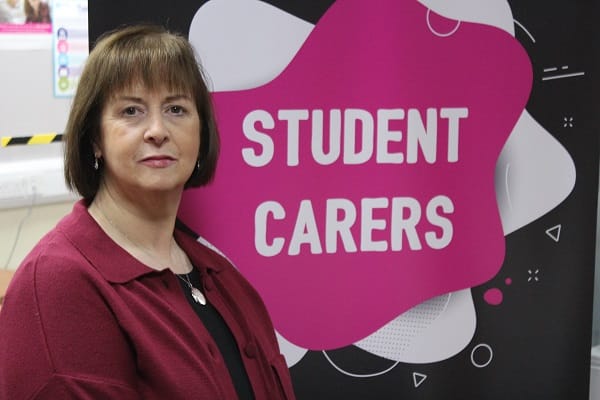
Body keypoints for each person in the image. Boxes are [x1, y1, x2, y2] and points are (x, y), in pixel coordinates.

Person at [0, 24, 296, 399]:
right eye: (131, 111)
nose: (157, 130)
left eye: (176, 109)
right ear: (95, 139)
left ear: (200, 131)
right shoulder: (58, 286)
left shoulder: (221, 278)